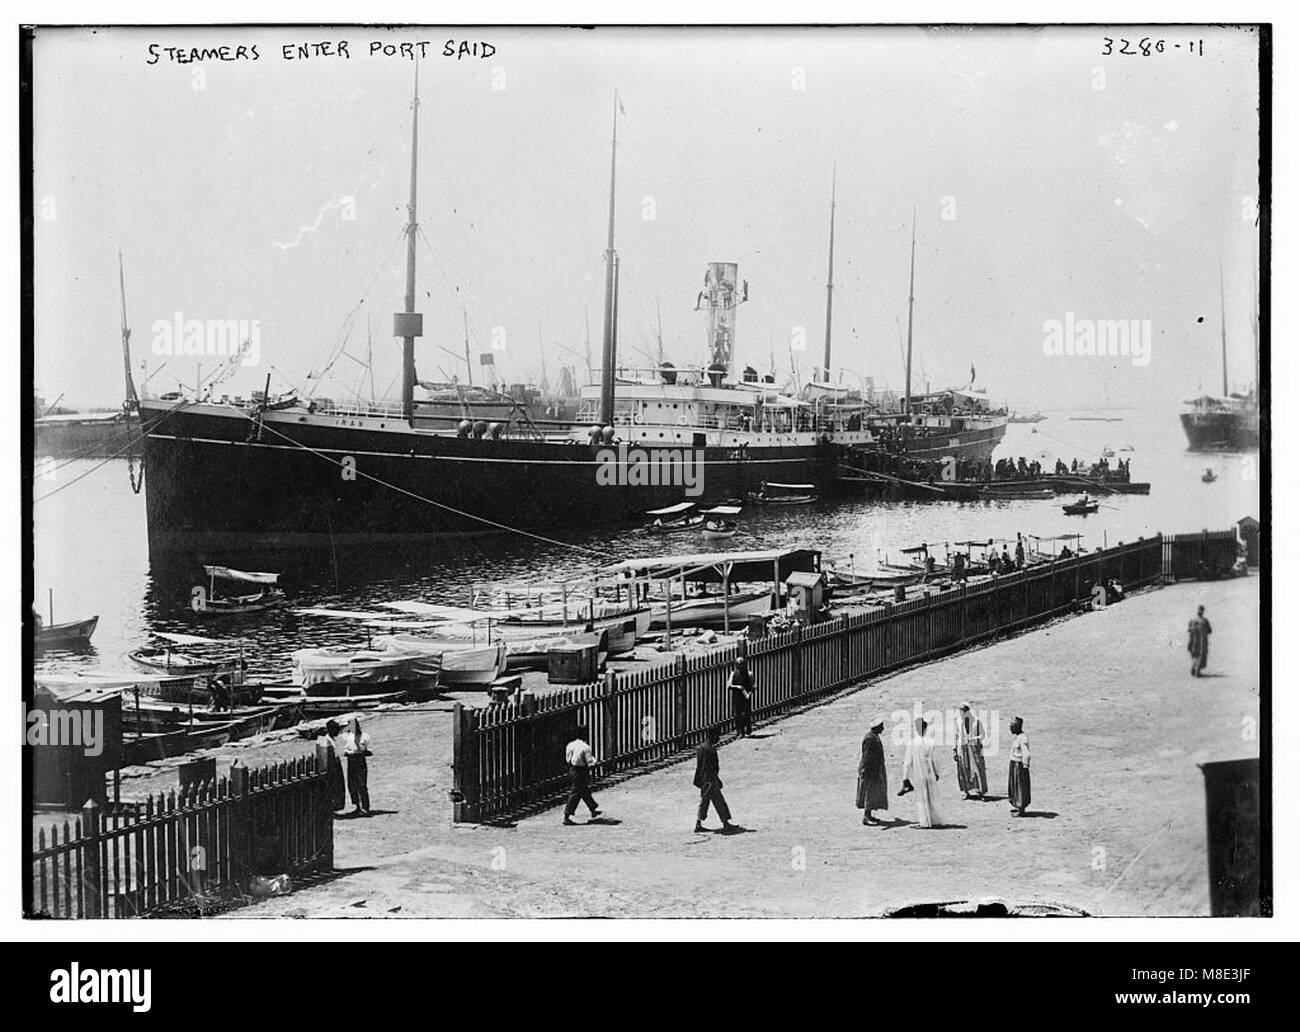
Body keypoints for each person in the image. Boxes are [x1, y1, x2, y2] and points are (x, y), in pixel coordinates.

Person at [899, 718, 943, 828]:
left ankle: (924, 822)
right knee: (931, 796)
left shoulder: (912, 743)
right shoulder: (931, 742)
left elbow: (907, 762)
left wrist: (905, 778)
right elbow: (934, 760)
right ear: (926, 728)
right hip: (929, 772)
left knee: (921, 798)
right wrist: (936, 772)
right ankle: (934, 820)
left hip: (918, 773)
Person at [694, 725, 735, 833]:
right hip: (710, 780)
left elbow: (700, 767)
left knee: (705, 801)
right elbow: (712, 768)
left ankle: (699, 824)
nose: (719, 738)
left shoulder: (701, 747)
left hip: (704, 780)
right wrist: (716, 780)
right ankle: (725, 823)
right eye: (717, 735)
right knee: (719, 801)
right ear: (712, 736)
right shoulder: (710, 750)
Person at [562, 724, 601, 826]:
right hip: (581, 771)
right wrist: (595, 761)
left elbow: (567, 759)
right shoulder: (586, 747)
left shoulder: (570, 745)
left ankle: (593, 809)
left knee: (584, 790)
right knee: (576, 792)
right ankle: (567, 815)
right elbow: (590, 762)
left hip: (572, 770)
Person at [855, 718, 889, 825]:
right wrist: (866, 771)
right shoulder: (870, 739)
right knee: (869, 793)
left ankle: (869, 815)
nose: (883, 728)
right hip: (870, 770)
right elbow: (867, 757)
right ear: (877, 727)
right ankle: (866, 817)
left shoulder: (874, 737)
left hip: (874, 769)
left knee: (873, 792)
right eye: (881, 726)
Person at [953, 703, 988, 800]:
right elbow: (956, 736)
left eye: (963, 712)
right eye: (960, 712)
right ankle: (965, 791)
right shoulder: (958, 721)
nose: (961, 715)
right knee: (963, 769)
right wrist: (954, 749)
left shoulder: (976, 721)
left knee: (977, 769)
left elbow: (982, 734)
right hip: (962, 748)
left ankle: (981, 791)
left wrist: (973, 739)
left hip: (974, 748)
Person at [344, 717, 372, 815]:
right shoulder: (349, 737)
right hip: (351, 761)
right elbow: (346, 749)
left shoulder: (365, 736)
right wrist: (348, 753)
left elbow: (369, 751)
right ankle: (357, 806)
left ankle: (365, 807)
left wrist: (361, 752)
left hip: (360, 761)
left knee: (362, 784)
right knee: (352, 785)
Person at [1007, 717, 1031, 816]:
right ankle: (1018, 807)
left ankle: (1021, 810)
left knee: (1020, 787)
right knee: (1015, 787)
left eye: (1012, 726)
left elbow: (1026, 754)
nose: (1010, 728)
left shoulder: (1023, 738)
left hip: (1019, 766)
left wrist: (1025, 766)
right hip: (1014, 764)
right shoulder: (1018, 737)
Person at [321, 720, 347, 812]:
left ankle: (336, 806)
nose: (337, 732)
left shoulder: (332, 739)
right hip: (330, 766)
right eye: (336, 730)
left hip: (336, 764)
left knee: (338, 787)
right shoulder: (324, 740)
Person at [728, 656, 754, 737]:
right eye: (739, 664)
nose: (741, 666)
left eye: (742, 664)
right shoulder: (733, 674)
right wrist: (737, 687)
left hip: (745, 696)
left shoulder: (749, 674)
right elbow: (729, 685)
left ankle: (748, 728)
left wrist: (749, 693)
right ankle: (740, 732)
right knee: (737, 714)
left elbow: (752, 686)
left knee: (746, 713)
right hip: (737, 696)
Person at [1187, 605, 1212, 677]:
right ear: (1203, 612)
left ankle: (1193, 668)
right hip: (1202, 643)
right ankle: (1197, 670)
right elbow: (1210, 631)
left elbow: (1189, 630)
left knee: (1194, 655)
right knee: (1200, 656)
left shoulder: (1192, 620)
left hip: (1193, 642)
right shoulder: (1205, 621)